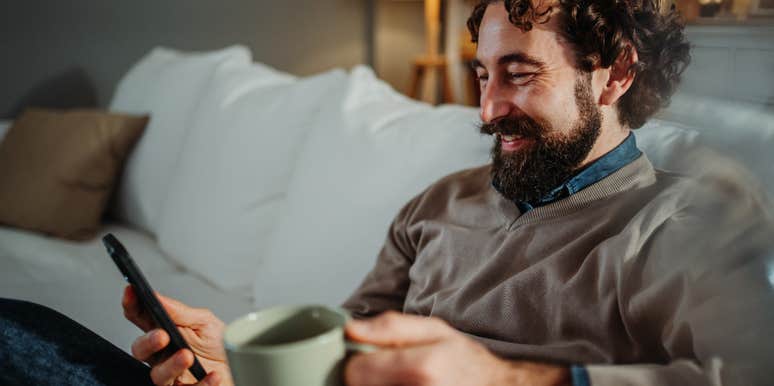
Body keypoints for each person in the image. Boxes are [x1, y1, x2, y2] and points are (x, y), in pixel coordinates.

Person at [1, 0, 772, 385]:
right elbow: (346, 353)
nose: (486, 109)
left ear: (618, 74)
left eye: (520, 75)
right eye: (482, 75)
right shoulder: (439, 202)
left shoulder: (685, 218)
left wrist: (502, 379)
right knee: (17, 326)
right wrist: (234, 363)